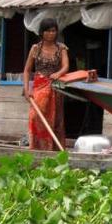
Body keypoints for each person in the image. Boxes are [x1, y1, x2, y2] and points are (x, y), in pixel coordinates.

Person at [23, 18, 69, 151]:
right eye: (48, 31)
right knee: (36, 116)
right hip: (38, 87)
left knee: (54, 119)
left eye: (53, 31)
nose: (51, 34)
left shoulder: (61, 48)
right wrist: (27, 89)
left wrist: (59, 73)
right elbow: (27, 71)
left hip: (55, 87)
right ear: (42, 32)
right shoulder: (35, 49)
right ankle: (37, 148)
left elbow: (66, 66)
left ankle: (54, 150)